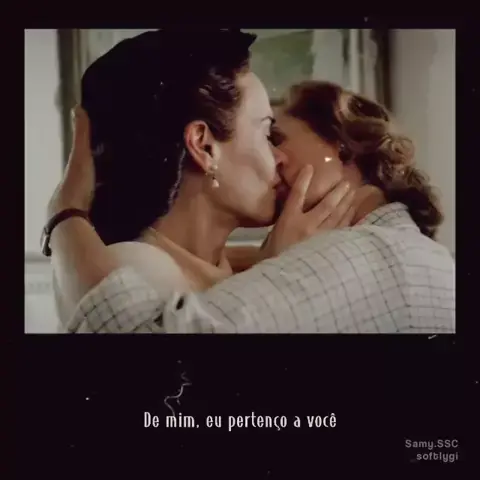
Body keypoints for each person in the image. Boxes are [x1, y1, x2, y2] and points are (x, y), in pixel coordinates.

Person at [47, 79, 455, 333]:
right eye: (265, 137)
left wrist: (64, 214)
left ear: (343, 147)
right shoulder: (406, 251)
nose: (273, 158)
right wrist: (268, 263)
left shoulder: (360, 255)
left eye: (276, 137)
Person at [49, 30, 356, 330]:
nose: (280, 157)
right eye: (267, 134)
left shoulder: (214, 268)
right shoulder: (140, 274)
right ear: (204, 146)